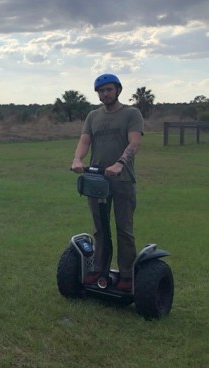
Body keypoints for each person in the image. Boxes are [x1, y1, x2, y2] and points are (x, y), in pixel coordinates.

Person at [71, 74, 143, 291]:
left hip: (122, 179)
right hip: (96, 179)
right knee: (99, 228)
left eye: (109, 90)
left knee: (124, 228)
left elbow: (135, 142)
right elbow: (85, 140)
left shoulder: (131, 113)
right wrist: (77, 159)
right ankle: (98, 269)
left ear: (118, 90)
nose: (105, 94)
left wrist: (120, 163)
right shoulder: (93, 116)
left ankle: (127, 274)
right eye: (101, 91)